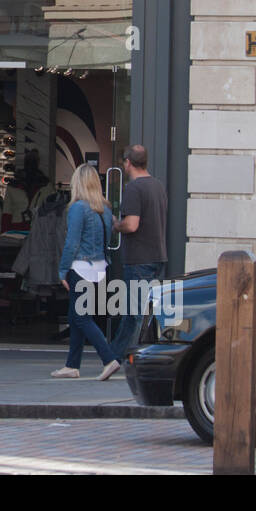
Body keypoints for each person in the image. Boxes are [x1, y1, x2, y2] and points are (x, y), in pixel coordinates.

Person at [52, 164, 123, 380]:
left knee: (81, 318)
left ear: (78, 183)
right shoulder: (105, 208)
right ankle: (72, 365)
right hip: (100, 269)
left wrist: (63, 270)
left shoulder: (78, 208)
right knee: (77, 317)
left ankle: (109, 358)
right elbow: (109, 239)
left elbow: (72, 242)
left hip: (81, 268)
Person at [110, 144, 168, 363]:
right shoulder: (158, 186)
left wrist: (116, 225)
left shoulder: (134, 189)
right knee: (148, 313)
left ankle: (116, 358)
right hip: (157, 256)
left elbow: (132, 225)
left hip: (139, 259)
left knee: (134, 314)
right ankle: (129, 356)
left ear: (127, 163)